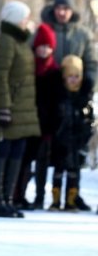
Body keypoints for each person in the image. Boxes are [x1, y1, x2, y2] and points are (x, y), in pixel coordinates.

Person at [39, 0, 97, 210]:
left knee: (75, 150)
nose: (62, 12)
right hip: (52, 95)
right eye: (59, 8)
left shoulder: (82, 34)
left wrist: (87, 86)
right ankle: (46, 194)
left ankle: (75, 194)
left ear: (72, 11)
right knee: (52, 149)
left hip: (77, 94)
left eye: (66, 9)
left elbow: (91, 63)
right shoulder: (47, 29)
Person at [0, 0, 40, 218]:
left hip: (22, 109)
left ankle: (8, 199)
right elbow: (0, 76)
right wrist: (4, 107)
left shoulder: (20, 40)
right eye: (24, 17)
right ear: (15, 19)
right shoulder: (7, 41)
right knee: (3, 152)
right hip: (9, 109)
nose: (28, 21)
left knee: (17, 152)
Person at [13, 22, 60, 210]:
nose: (45, 50)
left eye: (49, 46)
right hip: (27, 119)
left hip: (46, 123)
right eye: (42, 45)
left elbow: (57, 103)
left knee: (42, 161)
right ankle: (18, 194)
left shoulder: (54, 72)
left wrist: (53, 124)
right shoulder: (29, 66)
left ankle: (39, 196)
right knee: (24, 160)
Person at [48, 55, 95, 211]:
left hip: (77, 141)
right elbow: (53, 117)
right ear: (64, 77)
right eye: (70, 76)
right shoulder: (58, 96)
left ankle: (71, 200)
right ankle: (55, 200)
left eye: (76, 76)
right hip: (60, 140)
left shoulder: (85, 98)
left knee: (74, 172)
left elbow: (90, 119)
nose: (73, 80)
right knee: (59, 171)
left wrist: (86, 134)